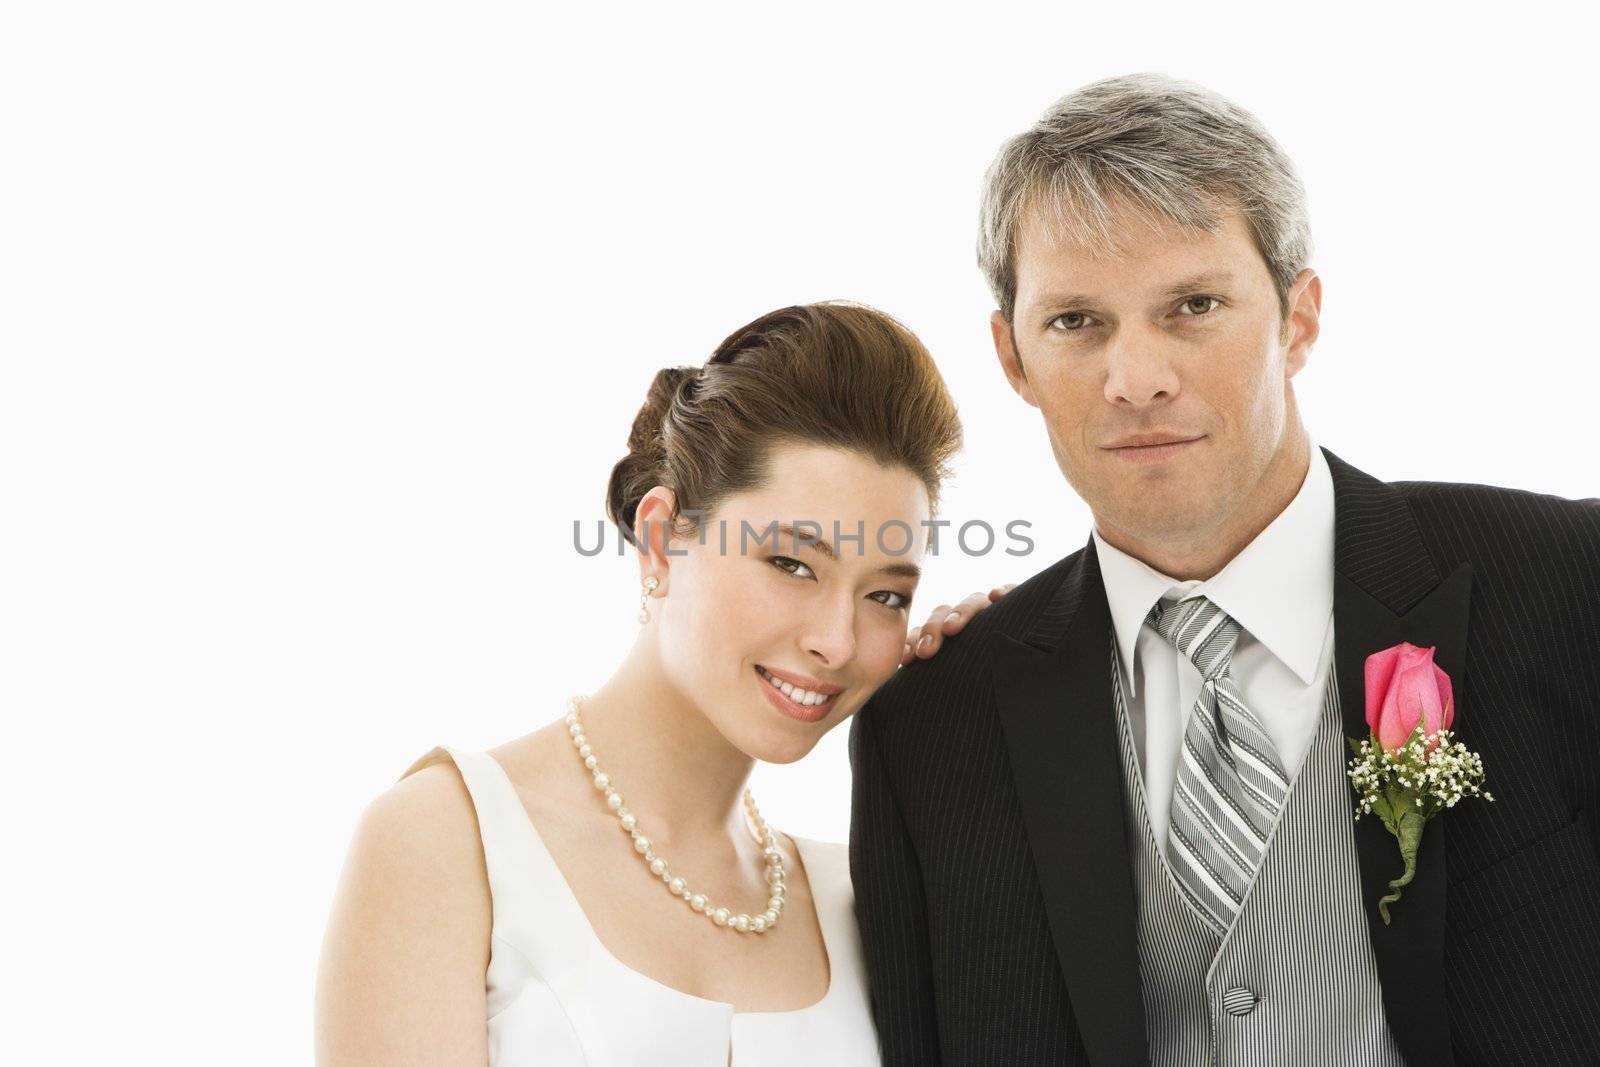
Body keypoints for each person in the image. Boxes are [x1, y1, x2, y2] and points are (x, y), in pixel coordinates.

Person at [849, 72, 1600, 1065]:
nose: (1136, 379)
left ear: (1298, 318)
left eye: (1193, 304)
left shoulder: (1568, 584)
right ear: (1012, 358)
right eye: (1076, 321)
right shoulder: (930, 723)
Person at [314, 302, 1009, 1066]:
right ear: (660, 539)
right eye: (790, 563)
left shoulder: (856, 897)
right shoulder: (449, 842)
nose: (835, 641)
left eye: (885, 595)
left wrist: (1003, 692)